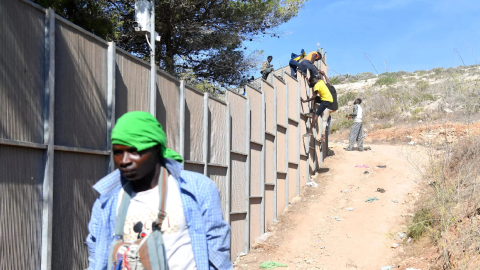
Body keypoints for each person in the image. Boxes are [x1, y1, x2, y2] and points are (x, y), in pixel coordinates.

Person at [85, 111, 232, 270]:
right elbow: (96, 257)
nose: (124, 161)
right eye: (118, 152)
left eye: (134, 151)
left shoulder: (198, 188)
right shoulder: (106, 201)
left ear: (156, 149)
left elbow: (217, 248)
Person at [300, 75, 333, 139]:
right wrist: (307, 78)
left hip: (326, 101)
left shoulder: (316, 85)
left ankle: (310, 131)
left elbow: (314, 96)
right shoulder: (321, 81)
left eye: (312, 83)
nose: (312, 85)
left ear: (313, 81)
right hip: (329, 99)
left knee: (317, 115)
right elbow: (318, 78)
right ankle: (311, 113)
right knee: (314, 100)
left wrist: (305, 101)